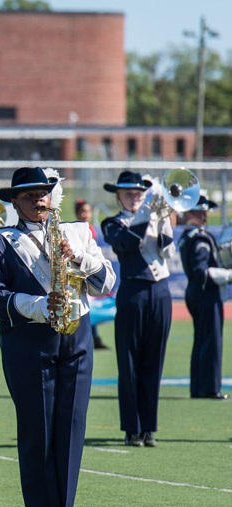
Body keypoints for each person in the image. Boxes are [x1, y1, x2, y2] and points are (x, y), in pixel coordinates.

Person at [0, 167, 114, 507]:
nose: (39, 199)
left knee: (72, 419)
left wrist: (79, 260)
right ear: (15, 202)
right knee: (37, 422)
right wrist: (39, 306)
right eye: (29, 195)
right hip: (29, 337)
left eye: (44, 192)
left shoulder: (78, 232)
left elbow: (106, 283)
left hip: (77, 331)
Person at [101, 171, 174, 447]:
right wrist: (147, 210)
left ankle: (148, 427)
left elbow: (169, 252)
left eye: (139, 193)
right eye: (129, 193)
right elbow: (127, 244)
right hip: (133, 291)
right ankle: (132, 427)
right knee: (129, 362)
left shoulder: (152, 218)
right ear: (118, 196)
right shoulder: (112, 223)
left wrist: (163, 217)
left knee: (154, 361)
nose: (135, 198)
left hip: (161, 291)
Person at [178, 194, 230, 400]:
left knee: (202, 339)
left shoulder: (189, 236)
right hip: (205, 291)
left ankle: (199, 386)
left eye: (205, 212)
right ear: (190, 213)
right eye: (200, 212)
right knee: (211, 340)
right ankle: (209, 388)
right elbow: (202, 270)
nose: (204, 216)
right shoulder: (199, 237)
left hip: (196, 291)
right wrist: (229, 275)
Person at [74, 199, 109, 350]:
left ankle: (93, 338)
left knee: (89, 309)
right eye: (83, 212)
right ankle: (87, 339)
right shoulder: (75, 229)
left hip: (91, 270)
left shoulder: (91, 229)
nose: (86, 215)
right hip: (82, 272)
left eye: (87, 211)